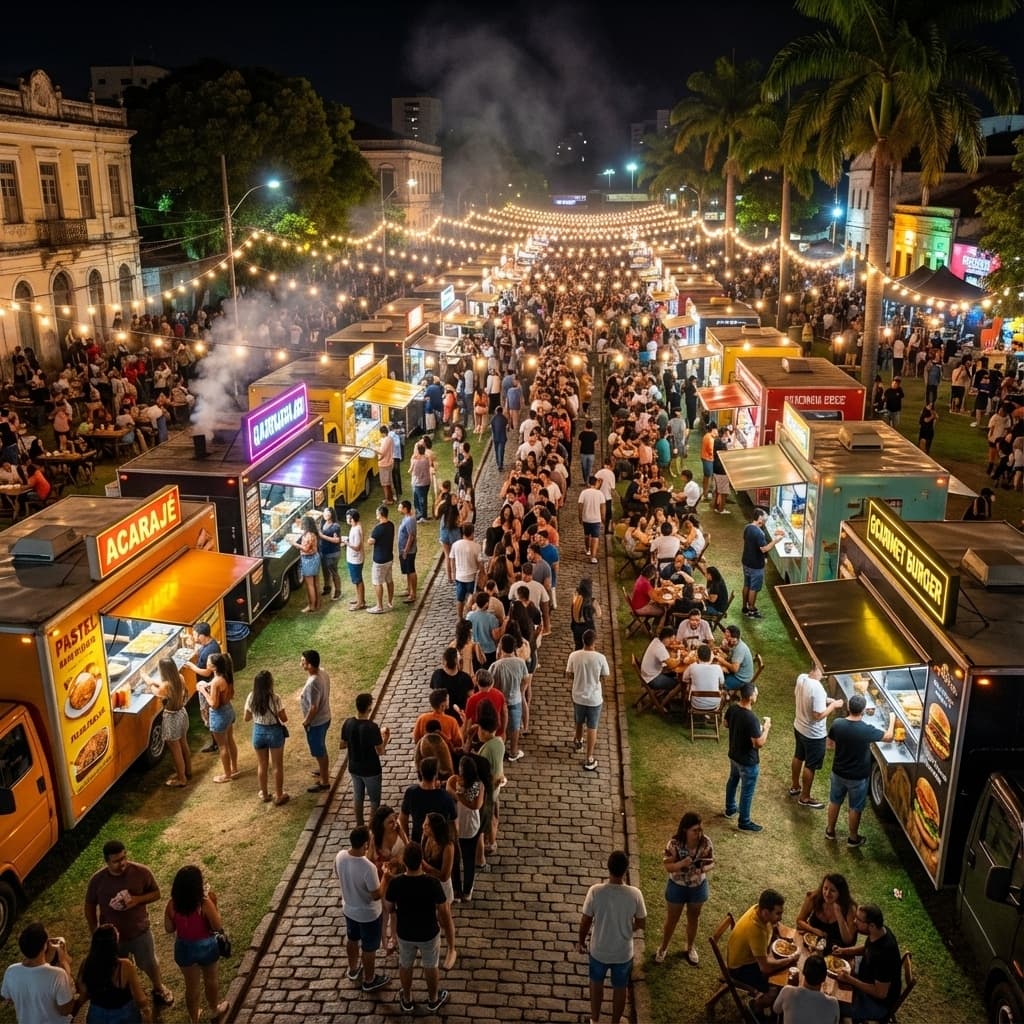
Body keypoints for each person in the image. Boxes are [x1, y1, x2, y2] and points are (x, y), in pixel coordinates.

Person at [84, 840, 174, 1010]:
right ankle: (130, 996)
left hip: (139, 930)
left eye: (124, 857)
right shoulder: (97, 880)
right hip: (113, 937)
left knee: (149, 962)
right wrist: (94, 930)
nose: (122, 863)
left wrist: (137, 900)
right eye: (116, 861)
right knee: (118, 970)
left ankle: (159, 988)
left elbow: (156, 893)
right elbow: (89, 906)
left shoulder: (141, 872)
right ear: (107, 861)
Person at [384, 842, 457, 1014]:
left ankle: (407, 999)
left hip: (405, 933)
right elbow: (443, 910)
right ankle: (433, 1000)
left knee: (406, 964)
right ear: (421, 860)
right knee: (431, 965)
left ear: (404, 861)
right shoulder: (432, 883)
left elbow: (388, 907)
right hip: (429, 932)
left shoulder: (396, 883)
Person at [576, 850, 646, 1024]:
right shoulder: (635, 894)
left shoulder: (596, 892)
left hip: (599, 950)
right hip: (623, 952)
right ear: (625, 870)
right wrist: (630, 927)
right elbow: (641, 922)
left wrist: (580, 941)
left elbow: (585, 920)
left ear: (608, 867)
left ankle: (595, 1020)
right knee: (620, 987)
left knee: (596, 983)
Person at [825, 693, 894, 847]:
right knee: (855, 808)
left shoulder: (837, 724)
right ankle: (853, 838)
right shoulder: (866, 730)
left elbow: (829, 745)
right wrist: (893, 718)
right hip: (858, 777)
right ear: (863, 711)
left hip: (838, 772)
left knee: (835, 801)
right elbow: (889, 737)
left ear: (849, 708)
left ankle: (830, 831)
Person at [162, 865, 227, 1024]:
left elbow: (169, 929)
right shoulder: (204, 903)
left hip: (184, 948)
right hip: (206, 945)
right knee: (210, 979)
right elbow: (217, 926)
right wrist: (213, 902)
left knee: (191, 987)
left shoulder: (172, 904)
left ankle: (194, 1018)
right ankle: (214, 1009)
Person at [726, 888, 800, 1017]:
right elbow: (765, 968)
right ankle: (754, 1007)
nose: (780, 917)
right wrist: (790, 959)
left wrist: (778, 929)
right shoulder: (756, 931)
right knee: (775, 990)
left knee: (781, 976)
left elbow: (772, 926)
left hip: (752, 957)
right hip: (739, 968)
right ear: (766, 912)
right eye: (778, 914)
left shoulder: (757, 909)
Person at [335, 826, 390, 994]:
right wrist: (386, 877)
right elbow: (376, 895)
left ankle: (352, 970)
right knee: (369, 947)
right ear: (366, 844)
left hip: (349, 910)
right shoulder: (368, 867)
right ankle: (369, 979)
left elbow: (338, 875)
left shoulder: (340, 856)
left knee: (352, 939)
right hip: (368, 915)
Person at [654, 812, 713, 966]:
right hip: (677, 886)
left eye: (700, 829)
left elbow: (712, 862)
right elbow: (668, 866)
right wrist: (681, 864)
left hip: (697, 887)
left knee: (694, 917)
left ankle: (690, 947)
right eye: (694, 830)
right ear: (685, 830)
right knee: (672, 918)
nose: (698, 833)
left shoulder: (705, 843)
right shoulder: (674, 844)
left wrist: (704, 869)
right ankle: (663, 947)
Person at [833, 904, 903, 1022]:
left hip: (877, 1004)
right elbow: (866, 948)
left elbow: (880, 993)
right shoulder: (879, 932)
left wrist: (850, 980)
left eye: (859, 920)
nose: (854, 922)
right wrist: (844, 951)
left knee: (835, 1004)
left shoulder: (884, 955)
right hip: (865, 975)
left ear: (871, 925)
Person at [790, 665, 844, 810]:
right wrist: (834, 706)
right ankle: (805, 797)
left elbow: (806, 698)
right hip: (813, 734)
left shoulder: (801, 678)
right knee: (810, 765)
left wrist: (826, 700)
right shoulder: (818, 688)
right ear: (819, 669)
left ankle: (795, 786)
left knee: (798, 756)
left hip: (799, 726)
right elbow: (818, 715)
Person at [2, 921, 77, 1023]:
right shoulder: (57, 974)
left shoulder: (11, 971)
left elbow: (8, 998)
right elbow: (66, 1010)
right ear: (45, 946)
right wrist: (63, 961)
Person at [77, 923, 152, 1023]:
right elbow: (140, 998)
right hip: (124, 1014)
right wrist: (146, 1010)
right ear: (114, 943)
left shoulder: (86, 964)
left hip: (97, 1013)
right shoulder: (124, 965)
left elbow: (83, 992)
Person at [724, 682, 770, 832]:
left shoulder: (732, 709)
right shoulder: (751, 718)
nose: (757, 696)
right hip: (748, 762)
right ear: (750, 697)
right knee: (747, 790)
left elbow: (726, 723)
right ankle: (744, 821)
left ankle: (730, 809)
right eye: (756, 693)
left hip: (734, 755)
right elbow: (758, 743)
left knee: (733, 780)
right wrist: (766, 728)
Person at [340, 692, 390, 828]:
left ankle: (360, 825)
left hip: (354, 767)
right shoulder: (372, 727)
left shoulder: (348, 723)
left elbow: (342, 745)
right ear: (369, 707)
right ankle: (371, 828)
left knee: (358, 796)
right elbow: (381, 751)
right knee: (374, 800)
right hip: (371, 770)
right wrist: (385, 737)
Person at [242, 669, 289, 806]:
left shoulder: (251, 697)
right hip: (274, 732)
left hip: (258, 732)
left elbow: (246, 718)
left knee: (262, 764)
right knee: (277, 766)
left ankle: (264, 793)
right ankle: (279, 795)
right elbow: (284, 718)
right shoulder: (275, 698)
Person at [565, 629, 610, 772]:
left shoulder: (574, 655)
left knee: (578, 720)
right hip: (594, 698)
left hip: (578, 695)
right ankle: (589, 757)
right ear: (594, 641)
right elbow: (605, 675)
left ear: (583, 640)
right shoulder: (600, 658)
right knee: (592, 726)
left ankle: (578, 740)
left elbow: (569, 674)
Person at [142, 658, 191, 787]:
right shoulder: (179, 677)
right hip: (182, 714)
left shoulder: (165, 686)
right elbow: (170, 687)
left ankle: (181, 779)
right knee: (183, 743)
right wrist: (153, 681)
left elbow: (155, 691)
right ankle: (187, 771)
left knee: (175, 750)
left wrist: (146, 678)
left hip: (172, 719)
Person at [447, 754, 485, 901]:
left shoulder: (454, 781)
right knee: (469, 860)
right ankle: (467, 890)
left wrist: (458, 796)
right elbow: (476, 805)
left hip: (456, 826)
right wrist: (462, 798)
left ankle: (456, 890)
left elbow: (449, 790)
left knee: (455, 859)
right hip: (470, 826)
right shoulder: (479, 785)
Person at [196, 652, 238, 784]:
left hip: (219, 715)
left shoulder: (216, 682)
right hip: (228, 711)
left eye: (208, 662)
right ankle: (234, 768)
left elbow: (213, 704)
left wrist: (203, 690)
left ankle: (226, 775)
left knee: (222, 746)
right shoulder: (227, 676)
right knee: (230, 740)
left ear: (214, 667)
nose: (206, 663)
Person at [399, 757, 457, 846]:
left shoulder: (411, 792)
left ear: (421, 773)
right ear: (436, 775)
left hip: (417, 841)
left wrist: (407, 841)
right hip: (439, 844)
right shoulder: (445, 797)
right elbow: (453, 824)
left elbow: (403, 818)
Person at [182, 621, 220, 755]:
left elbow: (207, 672)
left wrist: (192, 667)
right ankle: (216, 739)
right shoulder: (210, 644)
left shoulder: (210, 650)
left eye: (196, 635)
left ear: (203, 636)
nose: (195, 637)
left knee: (208, 713)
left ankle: (216, 742)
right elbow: (200, 650)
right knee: (209, 713)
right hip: (206, 684)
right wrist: (193, 646)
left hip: (208, 686)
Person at [796, 874, 857, 954]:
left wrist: (839, 915)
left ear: (840, 893)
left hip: (835, 951)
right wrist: (814, 930)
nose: (827, 893)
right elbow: (799, 921)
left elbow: (848, 941)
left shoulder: (850, 908)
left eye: (832, 891)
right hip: (812, 944)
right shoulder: (814, 897)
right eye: (825, 888)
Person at [772, 953, 839, 1024]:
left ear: (803, 972)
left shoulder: (787, 991)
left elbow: (776, 1009)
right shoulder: (833, 1004)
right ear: (824, 978)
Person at [300, 649, 333, 794]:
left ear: (311, 665)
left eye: (303, 662)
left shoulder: (313, 682)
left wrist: (306, 721)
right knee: (321, 747)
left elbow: (314, 707)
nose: (301, 664)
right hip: (325, 717)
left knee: (319, 751)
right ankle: (322, 770)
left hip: (317, 722)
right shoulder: (323, 672)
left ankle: (324, 781)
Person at [741, 507, 783, 619]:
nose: (765, 520)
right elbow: (764, 549)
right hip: (756, 565)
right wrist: (776, 540)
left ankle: (744, 607)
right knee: (753, 588)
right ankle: (752, 610)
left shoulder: (747, 528)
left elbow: (749, 542)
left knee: (747, 584)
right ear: (759, 519)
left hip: (746, 561)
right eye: (764, 518)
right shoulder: (758, 533)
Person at [367, 504, 396, 613]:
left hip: (379, 559)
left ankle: (379, 606)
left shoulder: (378, 529)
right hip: (389, 557)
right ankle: (390, 601)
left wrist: (370, 539)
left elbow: (371, 541)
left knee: (377, 582)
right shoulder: (391, 525)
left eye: (377, 513)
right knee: (389, 580)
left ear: (380, 514)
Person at [291, 514, 322, 613]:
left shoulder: (308, 536)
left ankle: (311, 605)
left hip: (308, 560)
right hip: (315, 558)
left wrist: (294, 543)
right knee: (316, 583)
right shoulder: (313, 533)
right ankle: (318, 603)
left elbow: (305, 548)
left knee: (310, 585)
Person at [640, 626, 684, 693]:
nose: (671, 642)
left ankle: (665, 696)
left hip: (648, 674)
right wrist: (681, 659)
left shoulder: (656, 640)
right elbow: (671, 665)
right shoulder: (659, 648)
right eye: (671, 640)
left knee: (675, 674)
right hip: (652, 679)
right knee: (679, 683)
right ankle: (667, 700)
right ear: (667, 638)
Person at [682, 644, 725, 711]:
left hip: (695, 704)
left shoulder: (692, 667)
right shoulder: (717, 668)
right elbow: (722, 682)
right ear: (710, 656)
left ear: (697, 656)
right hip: (714, 704)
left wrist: (693, 681)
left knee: (688, 688)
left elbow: (684, 679)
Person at [342, 508, 367, 610]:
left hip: (355, 559)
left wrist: (346, 542)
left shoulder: (356, 530)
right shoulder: (356, 527)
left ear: (352, 519)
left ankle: (360, 603)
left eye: (348, 517)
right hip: (354, 558)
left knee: (358, 581)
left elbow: (357, 547)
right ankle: (360, 599)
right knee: (357, 580)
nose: (347, 519)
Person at [717, 624, 755, 692]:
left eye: (728, 637)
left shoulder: (740, 649)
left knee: (717, 682)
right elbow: (731, 655)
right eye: (725, 635)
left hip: (740, 679)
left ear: (735, 638)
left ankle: (722, 696)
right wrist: (724, 649)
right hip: (738, 673)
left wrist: (722, 661)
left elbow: (734, 669)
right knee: (718, 672)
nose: (725, 638)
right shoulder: (736, 643)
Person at [578, 474, 606, 564]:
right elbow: (603, 506)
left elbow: (580, 505)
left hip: (586, 518)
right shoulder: (600, 494)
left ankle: (588, 549)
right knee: (595, 537)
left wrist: (580, 516)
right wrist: (603, 517)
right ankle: (593, 557)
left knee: (586, 535)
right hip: (596, 519)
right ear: (596, 482)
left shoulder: (584, 493)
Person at [317, 507, 343, 601]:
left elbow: (337, 540)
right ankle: (327, 587)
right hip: (324, 552)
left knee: (333, 572)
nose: (324, 514)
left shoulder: (335, 526)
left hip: (332, 553)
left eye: (327, 513)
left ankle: (338, 591)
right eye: (324, 513)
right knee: (325, 571)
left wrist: (322, 536)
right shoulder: (323, 523)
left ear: (331, 514)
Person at [570, 577, 601, 650]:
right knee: (590, 648)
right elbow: (599, 614)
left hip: (577, 628)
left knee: (578, 647)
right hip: (589, 629)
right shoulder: (592, 601)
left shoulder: (576, 599)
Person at [397, 500, 418, 603]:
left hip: (409, 551)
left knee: (411, 570)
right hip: (404, 549)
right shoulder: (406, 518)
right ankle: (409, 589)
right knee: (408, 571)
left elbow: (411, 536)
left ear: (405, 509)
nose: (398, 509)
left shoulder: (410, 520)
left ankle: (413, 594)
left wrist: (406, 550)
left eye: (400, 507)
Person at [377, 423, 396, 505]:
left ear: (382, 433)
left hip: (384, 464)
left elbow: (382, 453)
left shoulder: (386, 440)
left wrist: (375, 450)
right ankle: (390, 498)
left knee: (385, 483)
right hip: (389, 462)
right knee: (388, 481)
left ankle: (388, 499)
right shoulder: (390, 439)